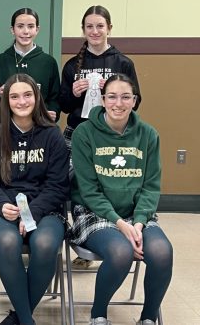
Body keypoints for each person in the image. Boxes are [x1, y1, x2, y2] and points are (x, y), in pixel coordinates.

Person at [70, 74, 172, 325]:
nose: (119, 103)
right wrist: (120, 224)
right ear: (102, 100)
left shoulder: (148, 135)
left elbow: (151, 187)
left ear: (134, 101)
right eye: (112, 96)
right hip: (94, 213)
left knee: (161, 252)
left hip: (136, 214)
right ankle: (99, 315)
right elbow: (89, 190)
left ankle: (148, 319)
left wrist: (137, 223)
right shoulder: (84, 133)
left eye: (126, 97)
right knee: (120, 252)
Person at [0, 74, 69, 325]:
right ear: (6, 100)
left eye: (27, 95)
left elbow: (58, 185)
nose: (21, 101)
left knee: (46, 244)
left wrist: (34, 211)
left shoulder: (52, 135)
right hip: (3, 210)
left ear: (37, 97)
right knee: (8, 241)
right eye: (14, 96)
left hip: (45, 209)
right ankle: (27, 320)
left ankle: (19, 318)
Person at [59, 5, 142, 268]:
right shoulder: (73, 65)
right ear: (83, 30)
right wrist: (72, 92)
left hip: (110, 137)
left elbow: (135, 102)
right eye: (89, 26)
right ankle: (84, 236)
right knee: (76, 187)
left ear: (109, 28)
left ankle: (109, 232)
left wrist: (113, 95)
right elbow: (61, 104)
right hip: (77, 134)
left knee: (108, 185)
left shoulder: (123, 62)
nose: (94, 31)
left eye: (100, 26)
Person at [0, 8, 60, 121]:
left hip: (39, 125)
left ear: (37, 29)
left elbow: (55, 99)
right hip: (6, 125)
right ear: (12, 30)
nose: (25, 31)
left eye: (31, 26)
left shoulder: (49, 62)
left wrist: (50, 113)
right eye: (20, 26)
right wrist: (0, 96)